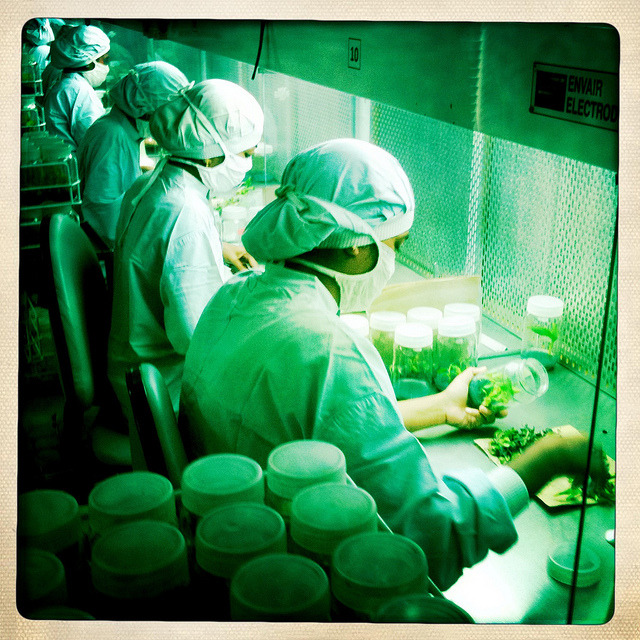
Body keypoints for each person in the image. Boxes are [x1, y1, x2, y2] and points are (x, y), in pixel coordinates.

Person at [180, 138, 606, 590]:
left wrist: (440, 406)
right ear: (355, 247)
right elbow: (431, 542)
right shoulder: (329, 350)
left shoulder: (237, 294)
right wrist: (549, 457)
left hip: (230, 549)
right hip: (305, 584)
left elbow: (310, 428)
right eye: (395, 245)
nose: (393, 261)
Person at [108, 79, 263, 467]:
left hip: (132, 365)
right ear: (210, 157)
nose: (249, 161)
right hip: (166, 388)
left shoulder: (150, 185)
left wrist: (218, 251)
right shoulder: (187, 217)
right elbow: (196, 340)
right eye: (244, 153)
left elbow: (155, 255)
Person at [77, 61, 190, 249]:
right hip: (104, 251)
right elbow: (105, 217)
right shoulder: (112, 136)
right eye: (167, 114)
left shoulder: (124, 132)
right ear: (143, 106)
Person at [44, 24, 110, 151]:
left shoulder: (66, 83)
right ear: (89, 61)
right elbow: (95, 142)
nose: (106, 66)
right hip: (78, 166)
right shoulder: (79, 91)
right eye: (104, 60)